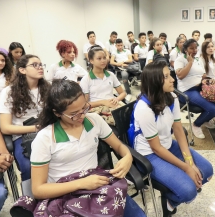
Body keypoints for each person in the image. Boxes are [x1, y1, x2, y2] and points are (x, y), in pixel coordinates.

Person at [31, 79, 146, 217]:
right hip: (63, 195)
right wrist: (81, 183)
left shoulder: (94, 120)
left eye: (84, 108)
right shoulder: (45, 138)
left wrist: (127, 157)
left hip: (96, 186)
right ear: (57, 113)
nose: (82, 115)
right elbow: (38, 189)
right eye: (74, 114)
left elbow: (119, 145)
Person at [133, 61, 213, 215]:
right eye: (166, 77)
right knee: (188, 191)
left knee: (206, 170)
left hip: (167, 145)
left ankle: (171, 199)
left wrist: (189, 161)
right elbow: (156, 148)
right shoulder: (144, 108)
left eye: (170, 75)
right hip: (148, 154)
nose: (173, 79)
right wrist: (187, 168)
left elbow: (178, 129)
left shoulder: (172, 97)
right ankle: (171, 199)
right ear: (155, 82)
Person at [0, 54, 50, 183]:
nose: (40, 68)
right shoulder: (9, 92)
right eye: (34, 65)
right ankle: (31, 199)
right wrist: (36, 128)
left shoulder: (48, 88)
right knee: (28, 166)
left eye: (40, 64)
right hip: (23, 135)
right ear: (22, 70)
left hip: (49, 130)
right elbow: (5, 127)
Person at [174, 39, 215, 139]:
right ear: (185, 49)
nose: (194, 50)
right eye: (191, 48)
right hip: (187, 91)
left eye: (196, 48)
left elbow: (202, 74)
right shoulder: (180, 59)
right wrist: (189, 62)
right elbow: (180, 75)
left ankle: (206, 120)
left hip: (201, 87)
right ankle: (196, 125)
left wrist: (207, 79)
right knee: (212, 108)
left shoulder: (197, 59)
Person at [80, 46, 126, 110]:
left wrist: (116, 99)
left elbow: (123, 93)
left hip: (112, 105)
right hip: (96, 108)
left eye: (104, 58)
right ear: (91, 61)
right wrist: (103, 102)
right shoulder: (86, 79)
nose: (103, 61)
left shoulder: (111, 75)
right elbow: (84, 104)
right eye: (99, 58)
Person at [110, 39, 136, 103]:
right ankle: (128, 92)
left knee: (141, 73)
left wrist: (123, 62)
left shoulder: (127, 51)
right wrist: (120, 64)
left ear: (123, 45)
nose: (120, 47)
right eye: (118, 45)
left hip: (130, 66)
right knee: (124, 76)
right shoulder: (114, 52)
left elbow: (130, 60)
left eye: (121, 45)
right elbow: (111, 62)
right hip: (122, 68)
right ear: (116, 46)